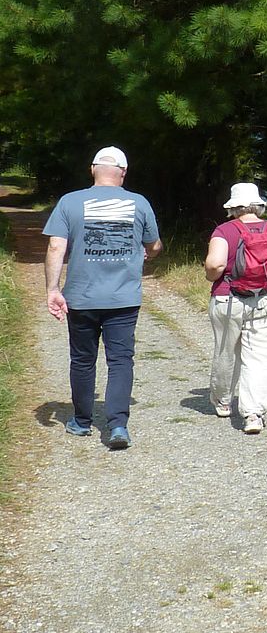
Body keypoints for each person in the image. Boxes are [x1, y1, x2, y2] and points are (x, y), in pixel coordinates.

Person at [43, 146, 163, 450]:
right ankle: (118, 424)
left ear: (92, 169)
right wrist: (146, 253)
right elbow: (154, 245)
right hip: (123, 299)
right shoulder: (139, 203)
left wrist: (53, 289)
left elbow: (56, 247)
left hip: (81, 297)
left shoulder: (69, 202)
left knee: (83, 360)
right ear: (123, 172)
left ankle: (82, 421)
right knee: (120, 360)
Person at [204, 182, 267, 434]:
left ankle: (223, 401)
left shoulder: (224, 230)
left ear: (233, 207)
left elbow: (216, 265)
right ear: (258, 206)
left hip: (228, 299)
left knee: (226, 351)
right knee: (261, 357)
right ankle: (253, 414)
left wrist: (210, 276)